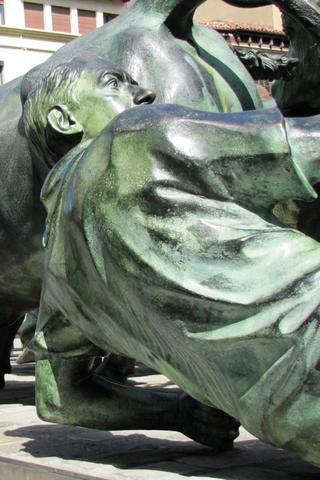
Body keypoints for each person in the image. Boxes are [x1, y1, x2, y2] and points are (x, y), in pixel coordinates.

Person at [23, 56, 320, 464]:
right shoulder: (135, 134)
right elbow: (308, 146)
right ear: (64, 120)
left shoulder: (60, 273)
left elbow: (58, 397)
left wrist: (177, 413)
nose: (145, 92)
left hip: (290, 421)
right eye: (114, 83)